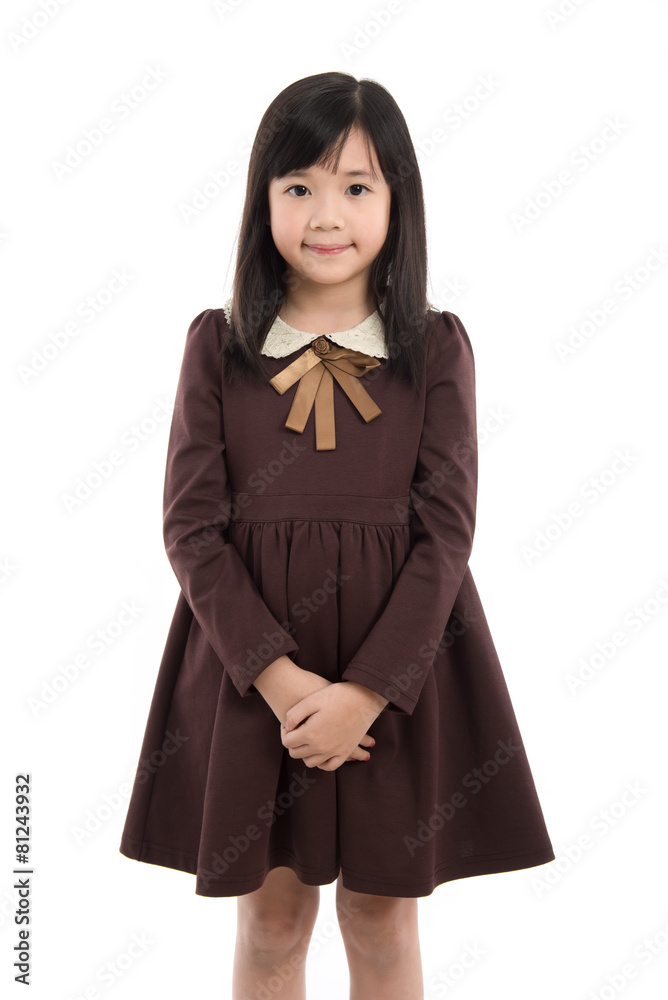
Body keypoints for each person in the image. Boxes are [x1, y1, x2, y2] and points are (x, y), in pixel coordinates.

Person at [119, 70, 555, 1000]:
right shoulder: (217, 345)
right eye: (299, 187)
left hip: (397, 677)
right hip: (250, 680)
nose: (328, 214)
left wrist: (364, 692)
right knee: (271, 922)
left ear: (399, 200)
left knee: (379, 917)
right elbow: (191, 528)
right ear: (261, 199)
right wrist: (280, 685)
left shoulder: (435, 348)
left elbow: (446, 534)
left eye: (357, 187)